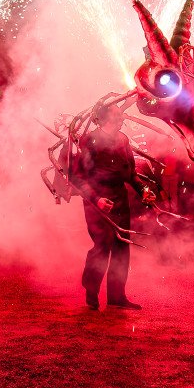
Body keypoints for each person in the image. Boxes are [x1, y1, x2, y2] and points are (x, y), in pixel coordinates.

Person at [69, 104, 156, 311]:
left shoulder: (123, 140)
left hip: (119, 198)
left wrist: (143, 189)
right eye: (118, 116)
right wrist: (97, 199)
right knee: (102, 245)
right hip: (96, 201)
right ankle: (91, 293)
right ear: (104, 118)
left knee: (121, 247)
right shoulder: (90, 140)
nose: (122, 119)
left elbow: (131, 174)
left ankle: (117, 297)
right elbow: (78, 177)